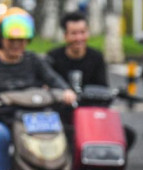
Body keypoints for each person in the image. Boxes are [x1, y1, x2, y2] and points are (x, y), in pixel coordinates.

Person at [0, 7, 76, 170]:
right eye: (11, 39)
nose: (16, 44)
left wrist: (66, 91)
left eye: (21, 40)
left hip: (30, 120)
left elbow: (54, 80)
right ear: (1, 38)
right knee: (0, 137)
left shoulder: (33, 59)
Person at [46, 11, 136, 151]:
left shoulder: (96, 57)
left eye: (82, 32)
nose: (79, 37)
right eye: (74, 33)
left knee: (126, 135)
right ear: (65, 35)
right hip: (62, 116)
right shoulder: (53, 57)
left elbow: (103, 88)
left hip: (91, 115)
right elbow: (47, 86)